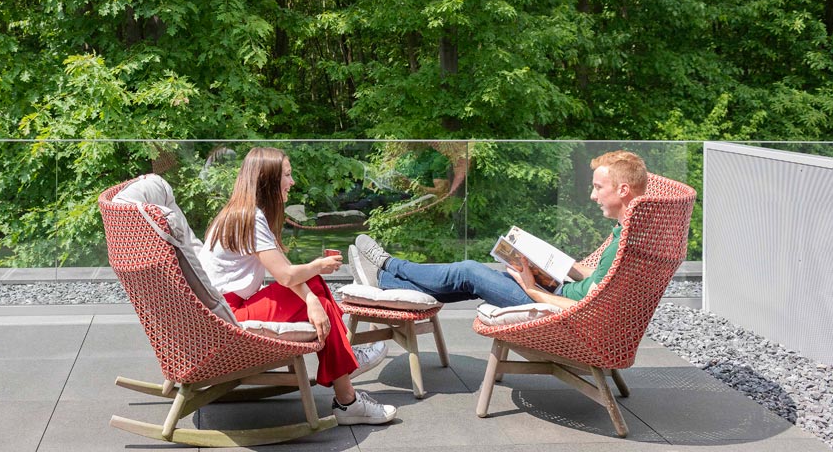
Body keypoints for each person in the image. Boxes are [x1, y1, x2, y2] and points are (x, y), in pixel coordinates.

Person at [199, 147, 398, 426]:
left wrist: (312, 299)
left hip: (225, 309)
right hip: (228, 316)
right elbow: (286, 276)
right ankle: (347, 394)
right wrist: (318, 269)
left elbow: (287, 274)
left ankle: (346, 378)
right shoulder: (250, 219)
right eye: (287, 175)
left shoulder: (240, 213)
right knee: (320, 295)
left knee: (317, 294)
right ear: (268, 180)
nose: (292, 182)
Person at [352, 150, 649, 310]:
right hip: (555, 288)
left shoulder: (627, 243)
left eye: (598, 187)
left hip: (551, 305)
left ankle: (388, 264)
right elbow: (595, 280)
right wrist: (551, 261)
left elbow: (590, 308)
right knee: (468, 283)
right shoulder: (627, 232)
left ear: (622, 190)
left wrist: (531, 287)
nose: (593, 196)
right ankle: (384, 281)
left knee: (468, 271)